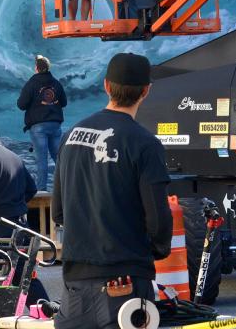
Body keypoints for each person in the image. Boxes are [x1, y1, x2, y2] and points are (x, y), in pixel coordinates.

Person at [52, 53, 173, 329]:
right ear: (146, 91)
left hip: (75, 283)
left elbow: (59, 210)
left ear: (106, 86)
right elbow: (158, 218)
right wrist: (154, 250)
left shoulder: (71, 136)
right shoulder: (145, 144)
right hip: (126, 280)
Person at [17, 55, 67, 192]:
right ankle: (68, 186)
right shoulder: (56, 83)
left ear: (36, 68)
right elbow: (64, 102)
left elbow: (21, 105)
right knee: (59, 159)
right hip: (55, 125)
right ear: (48, 68)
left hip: (38, 127)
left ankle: (42, 190)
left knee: (42, 159)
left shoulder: (31, 84)